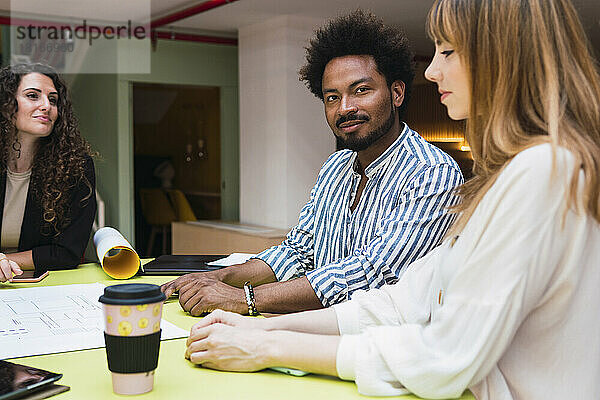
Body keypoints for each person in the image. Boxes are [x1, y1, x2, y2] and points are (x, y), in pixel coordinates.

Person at [183, 0, 600, 398]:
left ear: (503, 57)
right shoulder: (511, 174)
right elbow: (402, 300)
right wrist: (259, 328)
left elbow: (444, 356)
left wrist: (264, 344)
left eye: (448, 52)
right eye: (332, 96)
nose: (433, 71)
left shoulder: (545, 170)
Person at [162, 10, 463, 315]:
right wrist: (216, 277)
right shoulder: (336, 166)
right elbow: (296, 252)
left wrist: (245, 299)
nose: (345, 108)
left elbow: (370, 275)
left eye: (361, 90)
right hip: (315, 333)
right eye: (332, 97)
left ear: (396, 93)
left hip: (378, 350)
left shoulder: (432, 174)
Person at [0, 63, 97, 283]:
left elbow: (68, 253)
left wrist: (4, 259)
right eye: (32, 96)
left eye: (53, 100)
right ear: (6, 105)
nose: (46, 106)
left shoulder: (76, 168)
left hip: (42, 287)